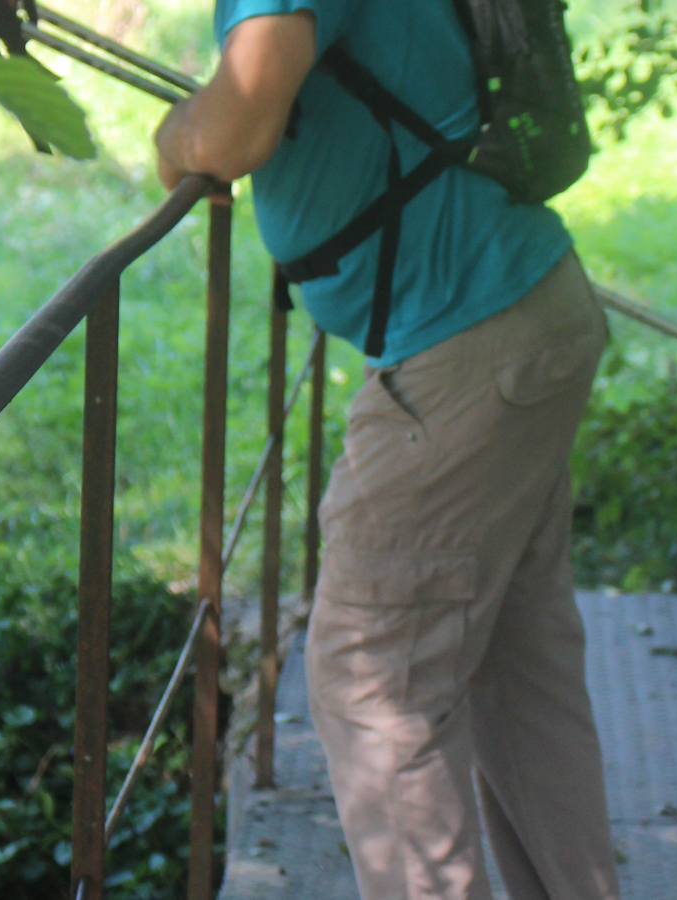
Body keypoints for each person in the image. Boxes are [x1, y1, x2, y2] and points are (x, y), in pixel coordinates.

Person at [154, 1, 621, 898]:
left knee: (373, 686)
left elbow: (239, 123)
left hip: (463, 346)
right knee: (521, 679)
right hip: (521, 315)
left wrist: (174, 137)